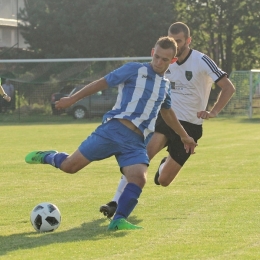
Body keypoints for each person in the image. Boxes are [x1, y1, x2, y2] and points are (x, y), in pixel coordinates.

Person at [25, 36, 197, 231]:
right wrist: (72, 99)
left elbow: (168, 113)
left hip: (136, 142)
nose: (159, 62)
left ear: (172, 61)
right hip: (113, 131)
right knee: (70, 167)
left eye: (165, 59)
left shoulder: (165, 86)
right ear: (152, 52)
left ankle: (118, 220)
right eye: (156, 57)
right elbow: (102, 83)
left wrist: (184, 135)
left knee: (139, 177)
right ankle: (48, 156)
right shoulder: (134, 70)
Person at [100, 22, 236, 219]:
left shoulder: (201, 60)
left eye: (179, 41)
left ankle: (166, 164)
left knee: (164, 180)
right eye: (172, 39)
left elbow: (228, 87)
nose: (175, 44)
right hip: (166, 118)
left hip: (191, 127)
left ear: (188, 40)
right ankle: (116, 202)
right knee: (143, 156)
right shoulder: (165, 61)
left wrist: (213, 111)